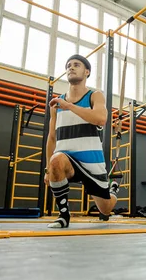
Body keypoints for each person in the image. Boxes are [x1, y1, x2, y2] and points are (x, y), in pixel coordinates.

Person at [44, 54, 119, 228]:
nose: (70, 67)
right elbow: (52, 137)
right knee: (56, 160)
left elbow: (101, 119)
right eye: (68, 65)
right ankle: (63, 216)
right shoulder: (57, 105)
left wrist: (69, 106)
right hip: (66, 158)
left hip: (92, 162)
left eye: (76, 65)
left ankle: (112, 190)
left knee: (106, 210)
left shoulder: (95, 95)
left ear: (87, 72)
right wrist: (48, 169)